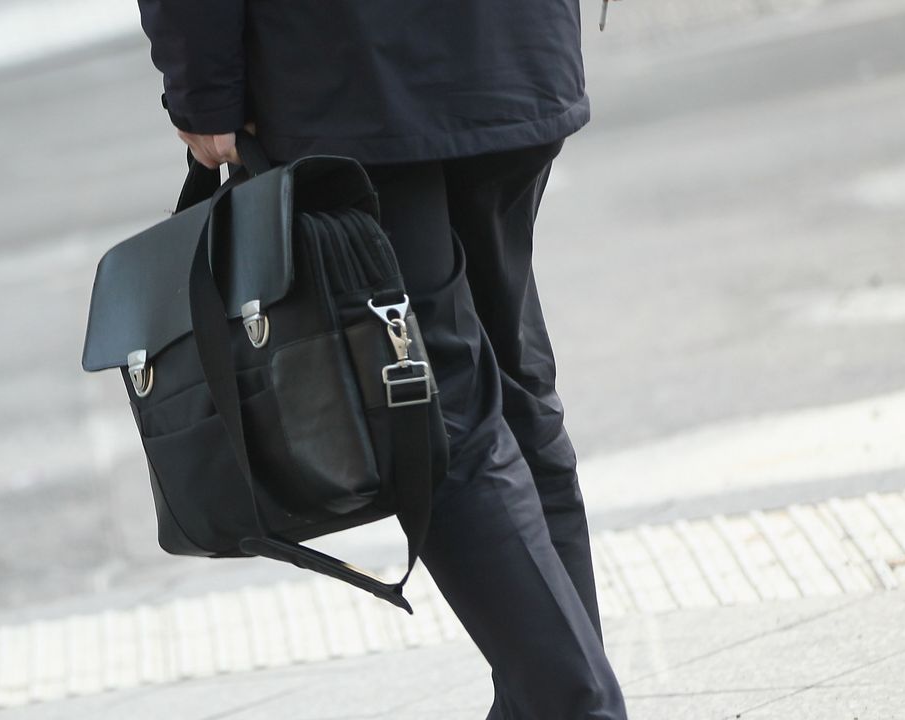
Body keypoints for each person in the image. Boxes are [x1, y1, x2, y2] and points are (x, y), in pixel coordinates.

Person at [136, 2, 628, 717]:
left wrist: (202, 87)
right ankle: (543, 699)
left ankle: (574, 705)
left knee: (438, 408)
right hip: (511, 44)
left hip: (348, 74)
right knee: (509, 380)